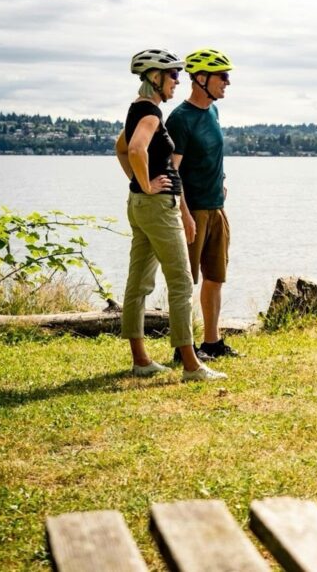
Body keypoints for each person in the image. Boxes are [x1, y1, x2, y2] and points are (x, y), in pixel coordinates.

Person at [115, 48, 228, 382]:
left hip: (139, 206)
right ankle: (192, 365)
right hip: (157, 206)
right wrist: (149, 184)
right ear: (155, 78)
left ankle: (141, 360)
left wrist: (137, 182)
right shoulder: (151, 113)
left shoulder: (137, 109)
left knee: (138, 283)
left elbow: (121, 148)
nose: (178, 81)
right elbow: (134, 149)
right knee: (180, 282)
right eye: (173, 75)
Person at [166, 48, 241, 360]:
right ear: (200, 78)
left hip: (215, 209)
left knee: (214, 277)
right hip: (192, 210)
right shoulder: (180, 119)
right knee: (186, 282)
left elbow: (213, 154)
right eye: (221, 76)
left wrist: (221, 181)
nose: (227, 82)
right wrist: (184, 214)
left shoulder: (212, 112)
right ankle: (183, 349)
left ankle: (212, 342)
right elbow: (173, 169)